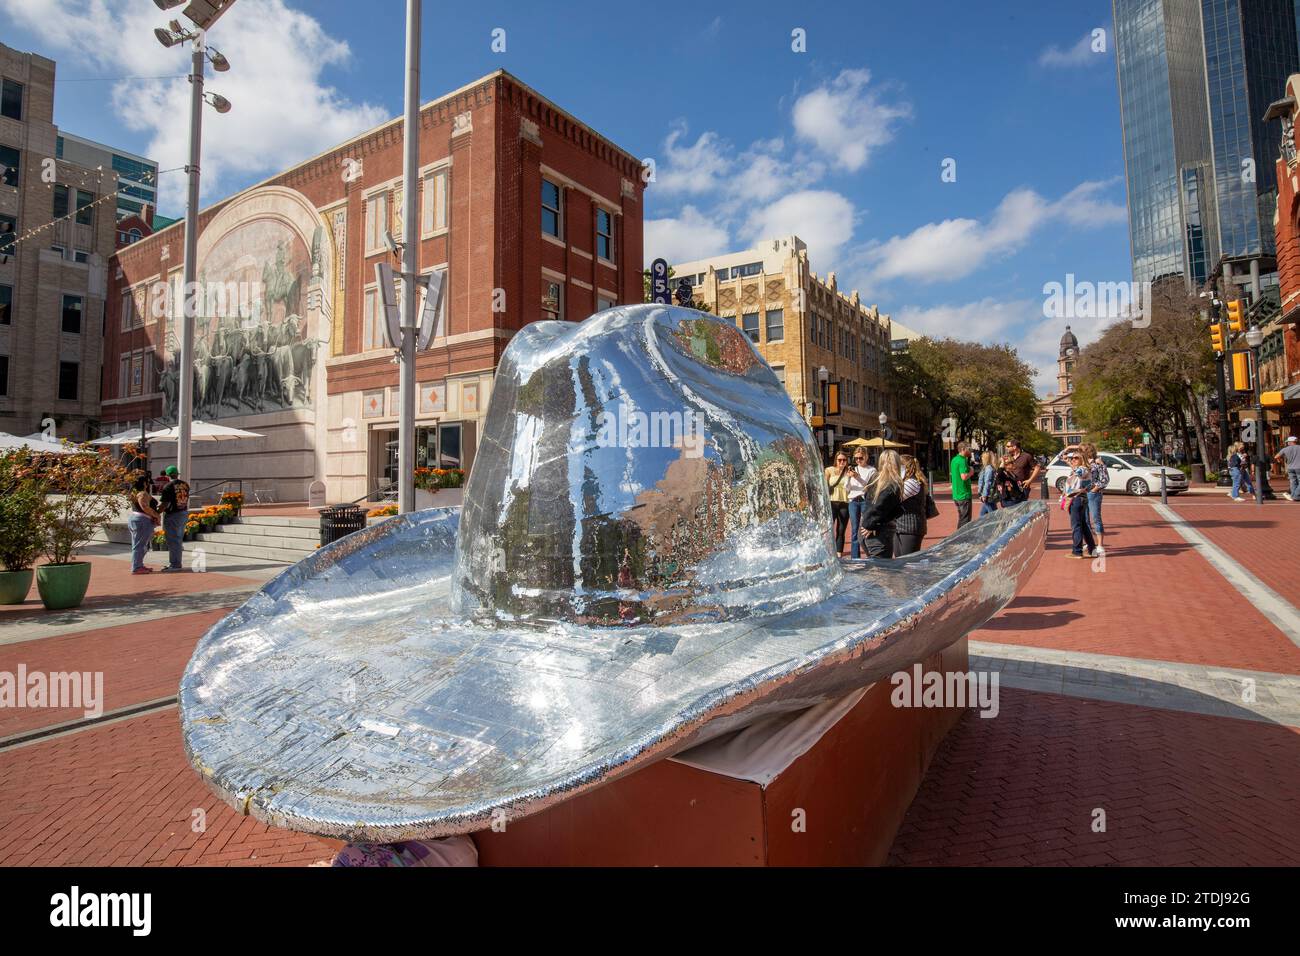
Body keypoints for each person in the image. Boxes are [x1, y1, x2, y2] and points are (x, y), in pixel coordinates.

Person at [860, 450, 904, 559]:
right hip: (878, 532)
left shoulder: (875, 478)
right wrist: (870, 524)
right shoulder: (893, 483)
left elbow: (868, 500)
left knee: (875, 568)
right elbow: (879, 505)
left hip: (867, 528)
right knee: (881, 570)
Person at [893, 455, 937, 556]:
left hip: (909, 527)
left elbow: (894, 499)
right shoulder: (905, 482)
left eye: (897, 466)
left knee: (908, 562)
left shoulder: (912, 483)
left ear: (905, 468)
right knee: (899, 561)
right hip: (899, 526)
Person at [1061, 451, 1095, 558]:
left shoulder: (1083, 469)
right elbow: (1060, 456)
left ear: (1082, 459)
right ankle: (1092, 550)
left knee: (1076, 526)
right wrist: (1068, 460)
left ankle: (1077, 551)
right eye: (1072, 458)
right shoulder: (1079, 469)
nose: (1073, 460)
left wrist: (1071, 448)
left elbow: (1079, 472)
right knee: (1083, 526)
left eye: (1076, 458)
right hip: (1078, 499)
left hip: (1077, 498)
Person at [845, 448, 878, 559]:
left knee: (865, 528)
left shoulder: (871, 470)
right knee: (854, 530)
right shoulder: (852, 469)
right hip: (853, 501)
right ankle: (855, 558)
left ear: (866, 457)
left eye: (861, 458)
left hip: (865, 501)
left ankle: (870, 554)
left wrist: (857, 477)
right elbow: (847, 488)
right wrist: (849, 478)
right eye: (856, 458)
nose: (858, 460)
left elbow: (869, 487)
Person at [158, 464, 192, 572]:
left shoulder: (168, 486)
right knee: (178, 539)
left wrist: (156, 513)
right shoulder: (185, 485)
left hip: (173, 515)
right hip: (183, 512)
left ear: (168, 475)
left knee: (173, 540)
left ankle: (175, 564)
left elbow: (164, 504)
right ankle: (176, 562)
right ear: (177, 474)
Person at [127, 474, 162, 575]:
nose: (148, 484)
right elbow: (144, 506)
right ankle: (137, 567)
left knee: (139, 545)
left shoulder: (134, 493)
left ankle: (139, 565)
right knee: (140, 545)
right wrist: (156, 515)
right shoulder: (142, 493)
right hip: (142, 520)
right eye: (147, 482)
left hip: (138, 519)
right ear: (144, 483)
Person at [1081, 442, 1108, 554]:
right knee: (1085, 519)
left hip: (1093, 493)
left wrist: (1095, 489)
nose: (1080, 452)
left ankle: (1100, 545)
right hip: (1083, 493)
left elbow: (1105, 478)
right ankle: (1089, 542)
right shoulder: (1083, 463)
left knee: (1096, 518)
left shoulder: (1098, 461)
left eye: (1081, 450)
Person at [825, 451, 852, 556]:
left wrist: (851, 476)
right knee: (829, 528)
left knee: (841, 529)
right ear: (836, 460)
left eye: (844, 460)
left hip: (845, 502)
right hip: (831, 502)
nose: (842, 462)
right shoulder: (829, 470)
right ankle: (828, 550)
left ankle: (839, 552)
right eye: (839, 460)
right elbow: (824, 484)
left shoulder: (849, 472)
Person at [1002, 439, 1041, 503]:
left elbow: (1037, 468)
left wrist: (1030, 480)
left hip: (1022, 487)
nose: (1006, 448)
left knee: (1021, 508)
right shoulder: (1007, 457)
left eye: (1008, 446)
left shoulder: (1026, 456)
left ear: (1014, 447)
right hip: (1010, 487)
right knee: (1011, 508)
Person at [950, 441, 974, 527]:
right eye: (969, 449)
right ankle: (961, 539)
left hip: (957, 494)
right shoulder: (962, 460)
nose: (971, 451)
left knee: (962, 518)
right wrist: (971, 472)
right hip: (964, 494)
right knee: (965, 521)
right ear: (963, 449)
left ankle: (959, 538)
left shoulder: (954, 459)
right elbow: (963, 477)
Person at [1275, 434, 1300, 502]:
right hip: (1299, 467)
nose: (1287, 443)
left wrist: (1281, 461)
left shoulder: (1285, 449)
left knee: (1293, 482)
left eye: (1288, 442)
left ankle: (1294, 496)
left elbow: (1276, 457)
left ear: (1291, 442)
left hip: (1290, 467)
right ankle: (1296, 496)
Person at [977, 451, 999, 517]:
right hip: (988, 494)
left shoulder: (988, 469)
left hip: (989, 495)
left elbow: (987, 482)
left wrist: (984, 495)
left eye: (982, 457)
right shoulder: (988, 468)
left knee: (993, 515)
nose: (981, 459)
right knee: (983, 514)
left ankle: (997, 526)